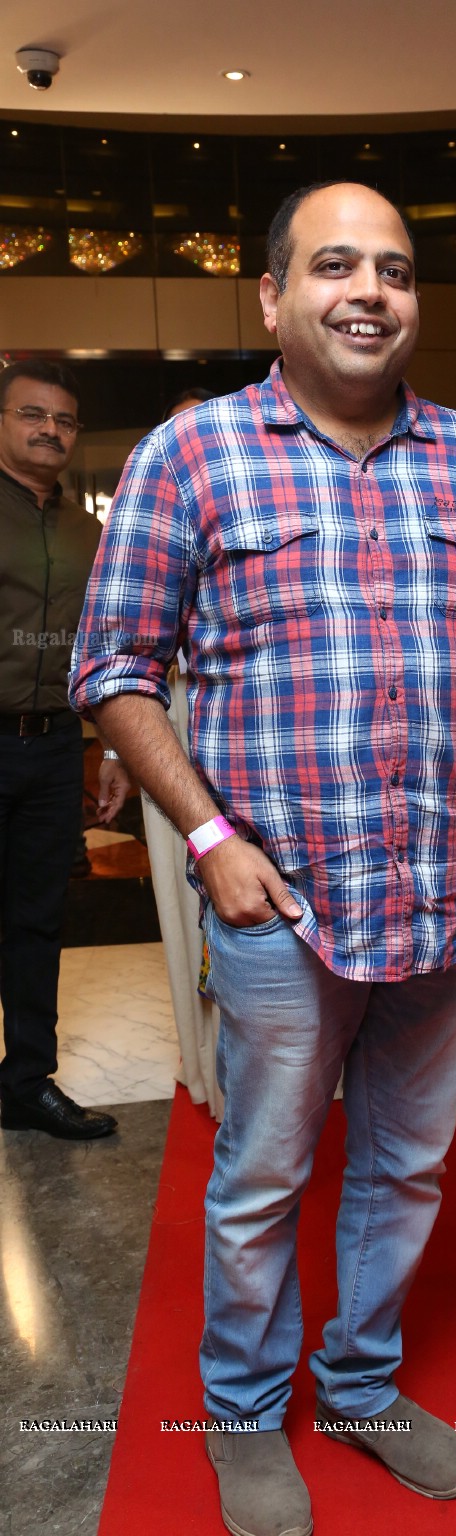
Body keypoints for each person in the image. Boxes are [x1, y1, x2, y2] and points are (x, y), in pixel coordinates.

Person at [71, 182, 456, 1533]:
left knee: (405, 1167)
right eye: (335, 264)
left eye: (394, 270)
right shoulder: (194, 458)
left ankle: (360, 1380)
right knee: (265, 1173)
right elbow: (112, 668)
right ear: (271, 297)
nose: (370, 291)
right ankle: (240, 1407)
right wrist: (210, 837)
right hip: (278, 904)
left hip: (448, 903)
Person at [0, 360, 130, 1140]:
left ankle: (25, 1084)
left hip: (53, 747)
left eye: (64, 420)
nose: (50, 430)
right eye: (31, 415)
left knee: (39, 920)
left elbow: (106, 646)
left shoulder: (90, 531)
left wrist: (112, 747)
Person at [140, 386, 223, 1117]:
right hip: (167, 720)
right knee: (183, 898)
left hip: (237, 724)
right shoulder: (146, 515)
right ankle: (203, 1060)